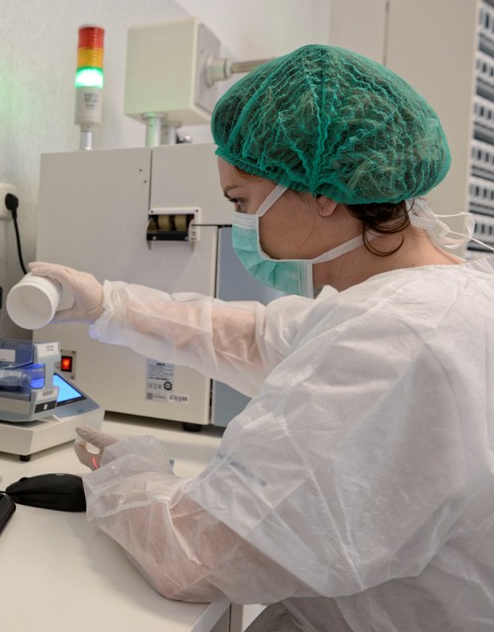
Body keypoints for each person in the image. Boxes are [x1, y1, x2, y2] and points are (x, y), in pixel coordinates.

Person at [29, 44, 494, 631]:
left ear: (324, 194)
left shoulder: (397, 337)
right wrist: (107, 303)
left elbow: (193, 558)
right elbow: (255, 339)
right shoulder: (442, 297)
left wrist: (128, 472)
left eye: (241, 201)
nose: (241, 225)